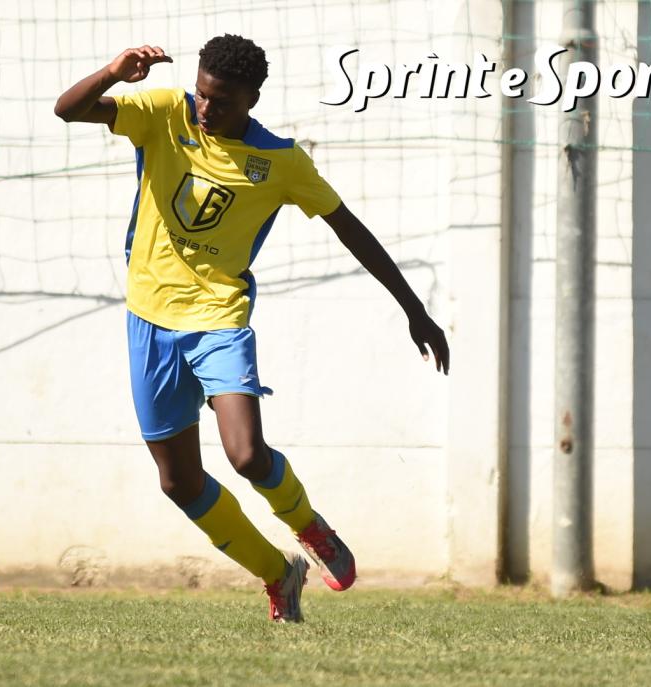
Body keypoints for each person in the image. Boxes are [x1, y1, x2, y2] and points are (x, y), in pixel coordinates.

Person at [54, 34, 449, 623]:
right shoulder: (164, 114)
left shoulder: (280, 161)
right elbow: (69, 110)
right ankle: (277, 573)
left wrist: (414, 308)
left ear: (253, 99)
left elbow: (350, 229)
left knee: (244, 454)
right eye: (202, 94)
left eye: (222, 101)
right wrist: (113, 72)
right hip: (148, 319)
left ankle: (310, 527)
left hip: (219, 318)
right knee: (178, 482)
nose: (206, 109)